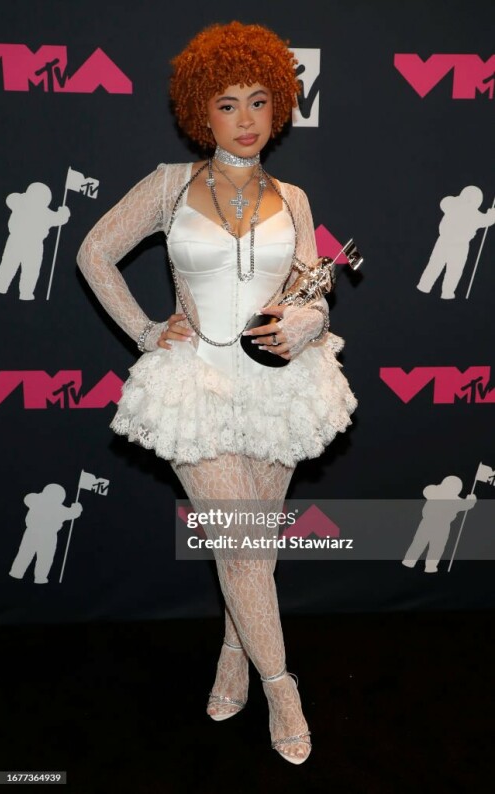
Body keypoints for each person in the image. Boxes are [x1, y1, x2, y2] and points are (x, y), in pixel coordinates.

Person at [76, 20, 357, 765]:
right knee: (240, 546)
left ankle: (234, 659)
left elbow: (312, 289)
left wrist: (306, 320)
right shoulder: (168, 187)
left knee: (252, 550)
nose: (245, 119)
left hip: (280, 386)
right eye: (227, 103)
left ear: (281, 108)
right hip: (193, 383)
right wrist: (142, 328)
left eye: (259, 101)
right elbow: (94, 251)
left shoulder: (292, 197)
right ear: (201, 111)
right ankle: (281, 686)